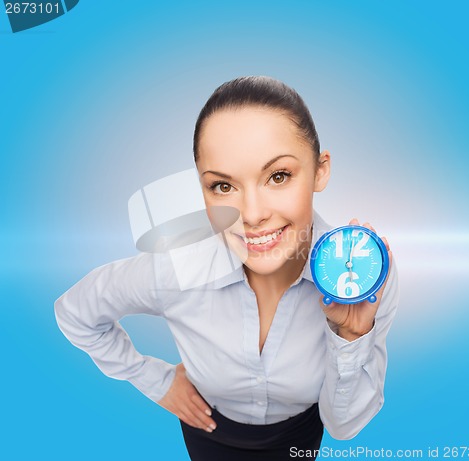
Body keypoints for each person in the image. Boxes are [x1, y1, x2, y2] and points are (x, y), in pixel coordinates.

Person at [55, 76, 399, 460]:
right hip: (207, 432)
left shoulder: (363, 275)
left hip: (300, 437)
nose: (252, 215)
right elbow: (75, 313)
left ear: (320, 171)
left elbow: (343, 426)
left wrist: (351, 335)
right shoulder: (176, 267)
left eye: (278, 176)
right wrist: (156, 381)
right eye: (222, 186)